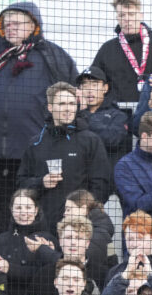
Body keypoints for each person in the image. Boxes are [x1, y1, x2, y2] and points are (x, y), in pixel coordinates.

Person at [0, 2, 78, 219]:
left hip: (34, 150)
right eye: (6, 25)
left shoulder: (53, 56)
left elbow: (73, 93)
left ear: (33, 25)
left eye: (16, 23)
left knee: (32, 210)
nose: (10, 28)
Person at [17, 83, 111, 224]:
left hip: (78, 225)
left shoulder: (91, 140)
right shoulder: (36, 143)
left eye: (72, 104)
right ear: (50, 107)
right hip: (42, 224)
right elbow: (21, 183)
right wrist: (41, 182)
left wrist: (84, 210)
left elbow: (102, 184)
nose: (68, 109)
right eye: (62, 104)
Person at [90, 0, 152, 104]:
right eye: (122, 15)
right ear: (117, 18)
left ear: (141, 15)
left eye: (131, 14)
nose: (127, 19)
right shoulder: (108, 49)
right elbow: (93, 79)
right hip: (117, 111)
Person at [74, 67, 132, 169]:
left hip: (106, 173)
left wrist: (85, 114)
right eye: (85, 85)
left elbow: (112, 140)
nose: (89, 90)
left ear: (105, 88)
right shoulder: (72, 114)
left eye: (94, 85)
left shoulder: (118, 115)